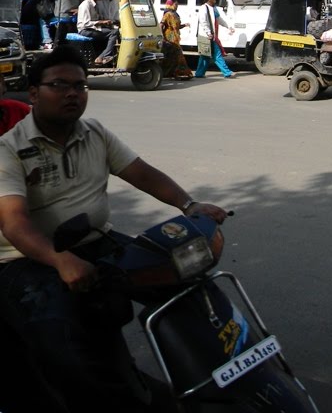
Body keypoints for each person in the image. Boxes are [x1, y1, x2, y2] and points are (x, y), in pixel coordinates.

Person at [0, 47, 228, 410]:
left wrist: (190, 205)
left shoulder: (95, 132)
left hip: (97, 241)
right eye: (59, 85)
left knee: (185, 282)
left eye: (80, 86)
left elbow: (140, 172)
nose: (72, 93)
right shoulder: (9, 149)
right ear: (33, 93)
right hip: (29, 260)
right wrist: (60, 261)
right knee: (61, 340)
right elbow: (14, 223)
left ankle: (223, 374)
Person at [76, 0, 118, 66]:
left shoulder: (95, 4)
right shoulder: (86, 5)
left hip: (91, 29)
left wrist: (104, 22)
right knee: (114, 32)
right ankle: (103, 56)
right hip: (85, 30)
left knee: (113, 30)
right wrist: (101, 22)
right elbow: (86, 23)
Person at [195, 0, 235, 79]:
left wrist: (228, 26)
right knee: (217, 54)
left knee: (205, 56)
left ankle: (199, 73)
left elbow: (219, 19)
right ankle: (227, 72)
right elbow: (203, 22)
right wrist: (208, 33)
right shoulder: (203, 8)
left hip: (210, 36)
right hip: (206, 36)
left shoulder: (213, 8)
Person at [160, 0, 193, 80]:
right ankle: (182, 73)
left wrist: (184, 25)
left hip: (176, 37)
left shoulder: (175, 14)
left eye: (177, 4)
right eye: (175, 4)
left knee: (171, 57)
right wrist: (162, 36)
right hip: (170, 38)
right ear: (170, 5)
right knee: (179, 55)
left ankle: (168, 73)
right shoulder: (167, 14)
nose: (177, 6)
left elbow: (177, 26)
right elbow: (161, 24)